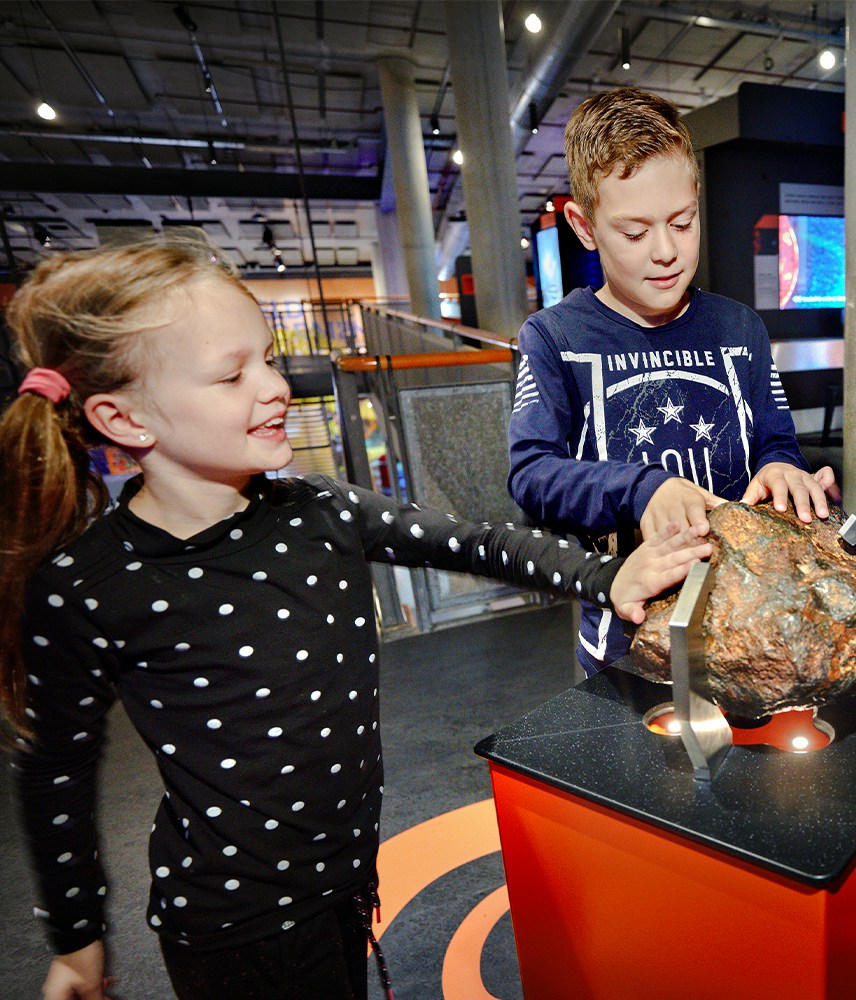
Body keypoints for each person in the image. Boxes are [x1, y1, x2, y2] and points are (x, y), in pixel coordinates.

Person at [0, 236, 712, 1000]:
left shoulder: (322, 510)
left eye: (268, 359)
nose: (274, 387)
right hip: (231, 928)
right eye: (232, 374)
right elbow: (53, 772)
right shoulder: (87, 585)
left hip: (343, 879)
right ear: (125, 417)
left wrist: (607, 577)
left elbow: (479, 542)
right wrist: (76, 942)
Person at [508, 86, 838, 674]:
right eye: (635, 233)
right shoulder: (554, 338)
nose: (666, 251)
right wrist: (642, 489)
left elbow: (774, 442)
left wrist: (782, 469)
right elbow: (532, 475)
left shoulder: (740, 326)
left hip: (748, 632)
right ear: (585, 227)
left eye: (682, 223)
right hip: (623, 642)